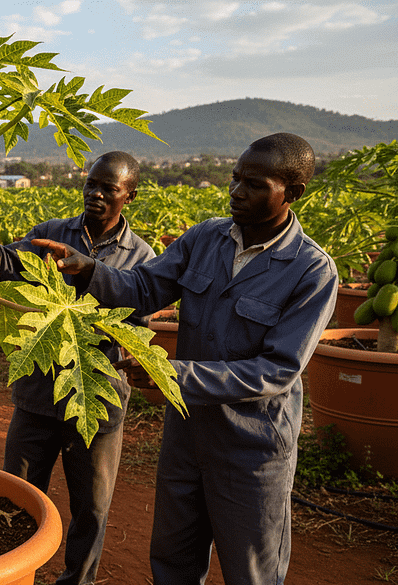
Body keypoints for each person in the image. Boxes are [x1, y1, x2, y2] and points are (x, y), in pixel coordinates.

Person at [35, 133, 338, 585]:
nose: (236, 191)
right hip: (186, 437)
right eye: (236, 179)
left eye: (254, 184)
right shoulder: (205, 239)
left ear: (293, 193)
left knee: (250, 572)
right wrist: (90, 269)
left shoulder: (312, 270)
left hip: (251, 449)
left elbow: (277, 370)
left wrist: (170, 374)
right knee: (173, 563)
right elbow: (142, 288)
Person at [0, 151, 155, 585]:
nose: (96, 194)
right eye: (91, 184)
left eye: (109, 188)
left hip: (97, 398)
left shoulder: (141, 257)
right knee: (18, 494)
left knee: (92, 507)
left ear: (130, 195)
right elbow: (7, 263)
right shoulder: (51, 234)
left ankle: (78, 581)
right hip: (38, 396)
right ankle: (14, 576)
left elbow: (137, 326)